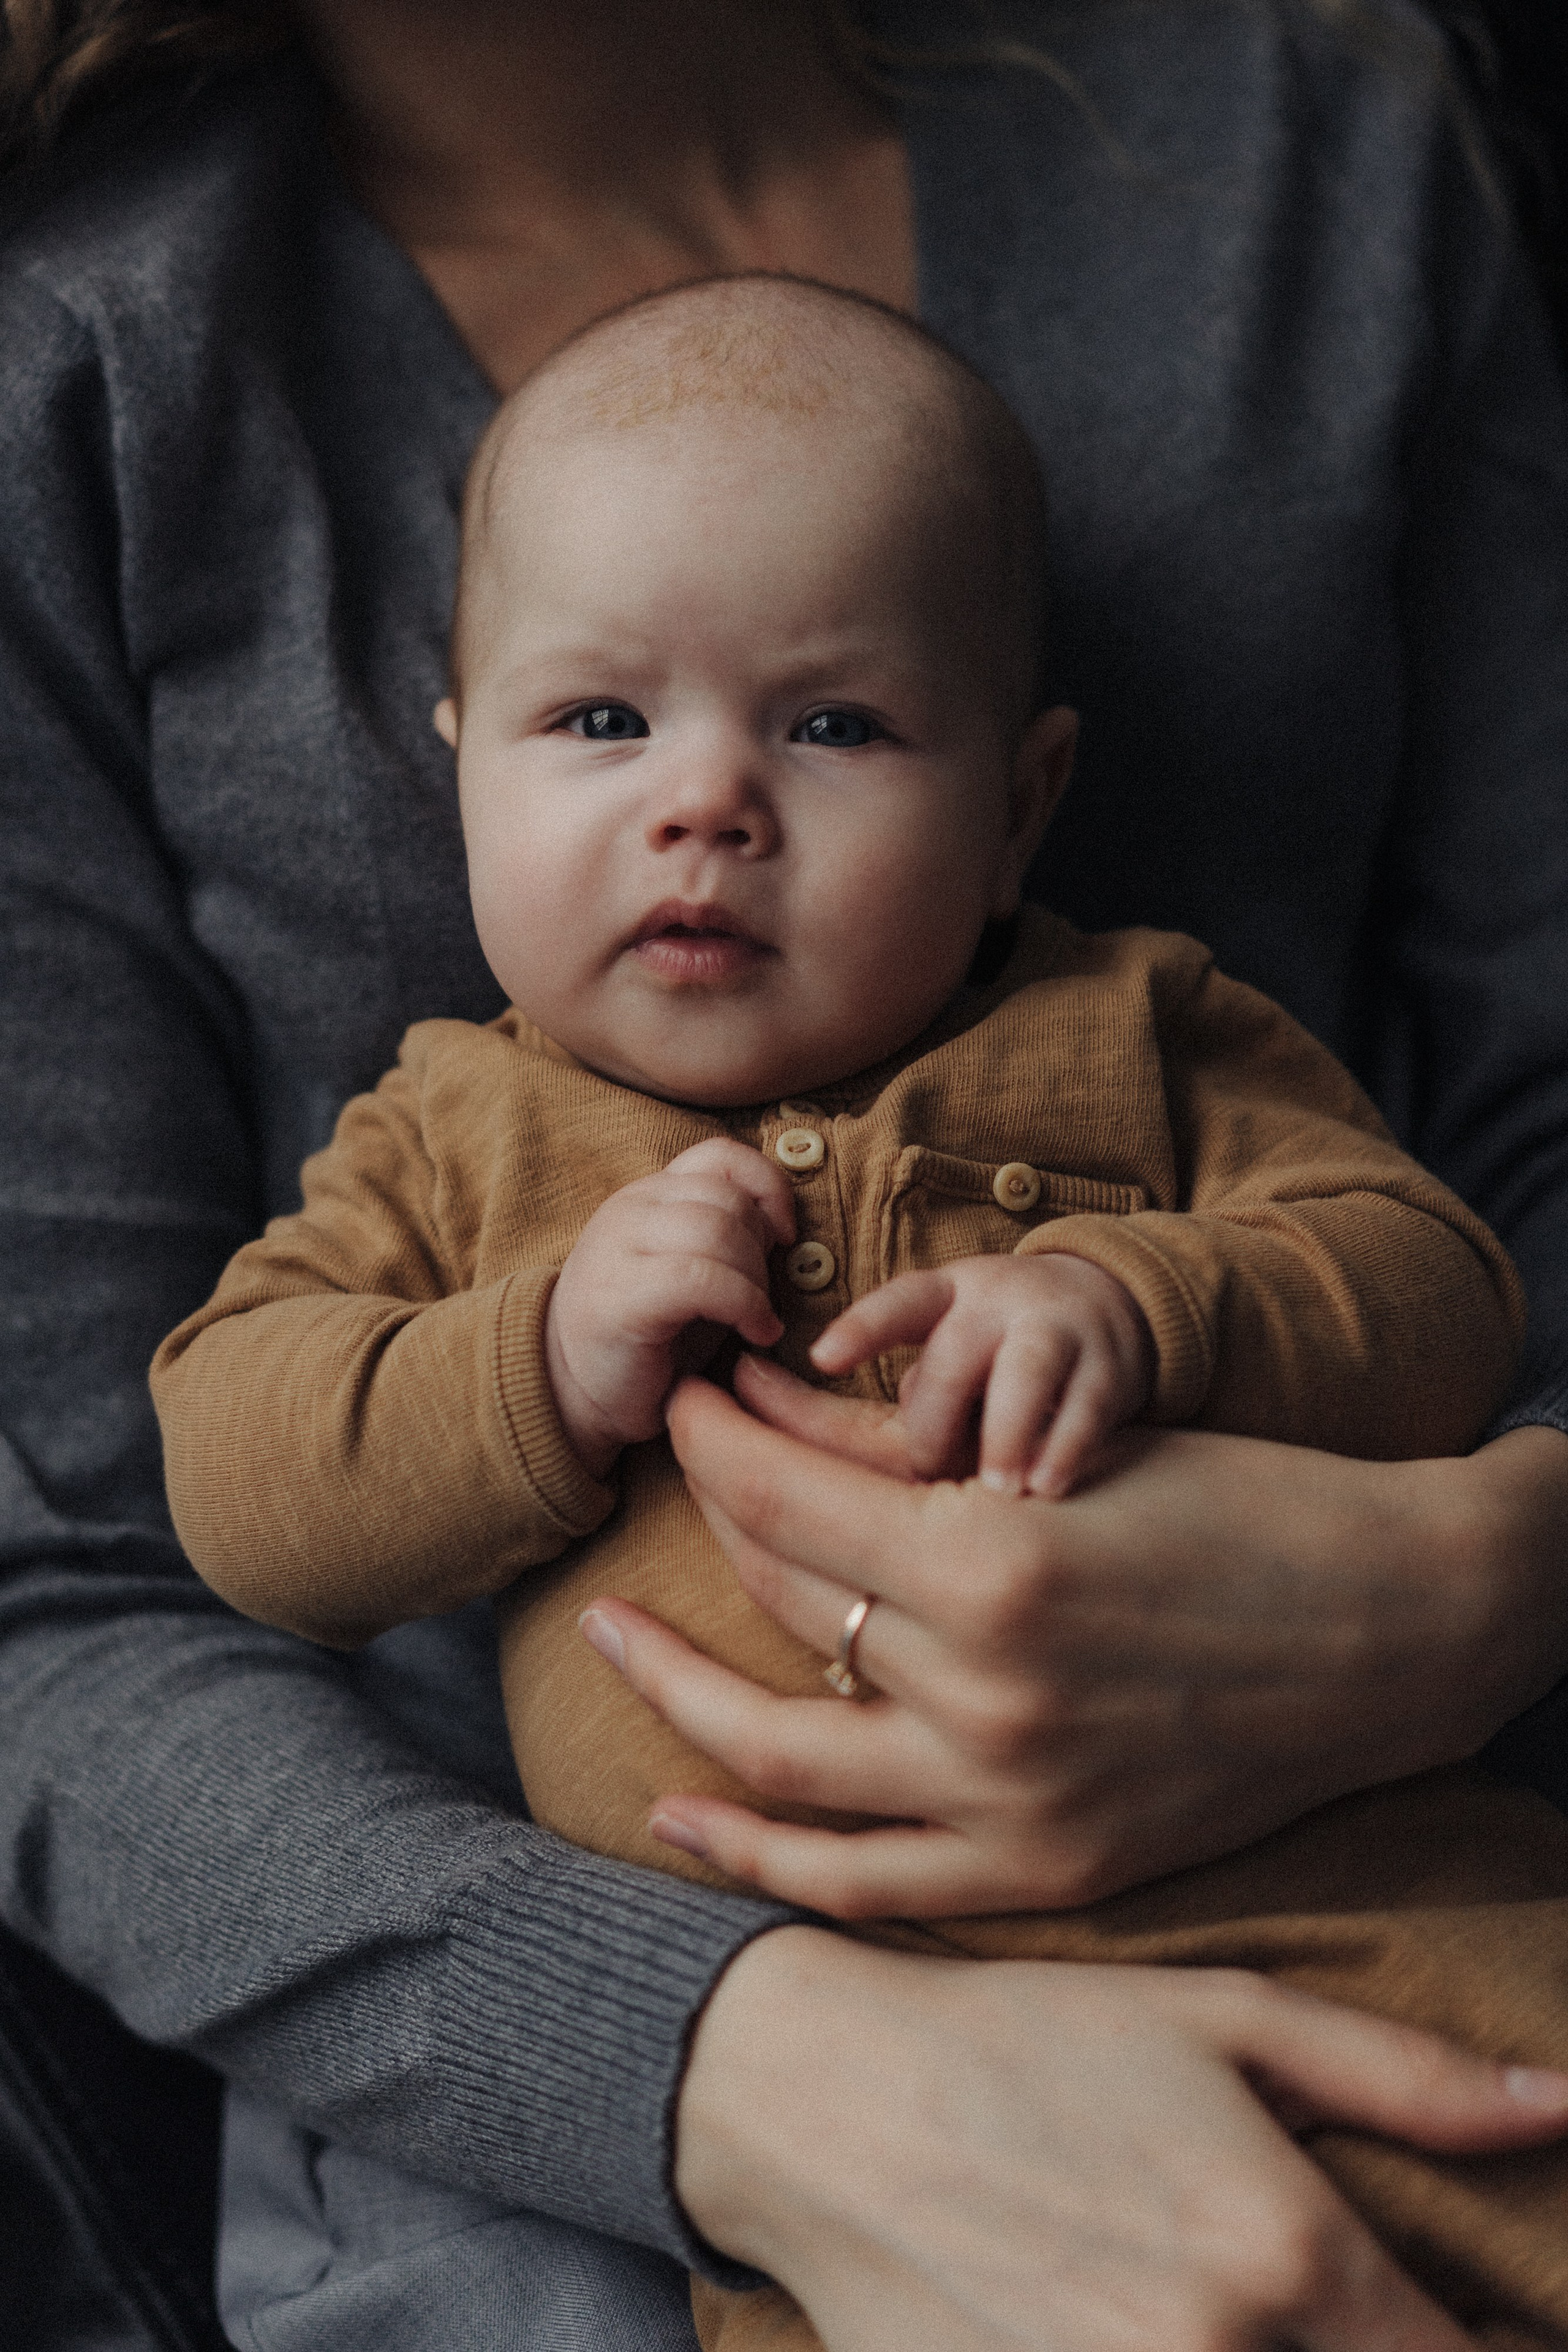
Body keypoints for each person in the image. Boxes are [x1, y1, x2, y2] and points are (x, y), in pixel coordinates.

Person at [4, 5, 1568, 2350]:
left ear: (1023, 807)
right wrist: (535, 1365)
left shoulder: (1137, 1028)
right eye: (598, 722)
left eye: (834, 725)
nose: (707, 803)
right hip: (704, 2099)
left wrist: (1228, 1365)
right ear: (452, 762)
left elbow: (1442, 1266)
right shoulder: (451, 1140)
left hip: (1369, 1910)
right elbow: (190, 1500)